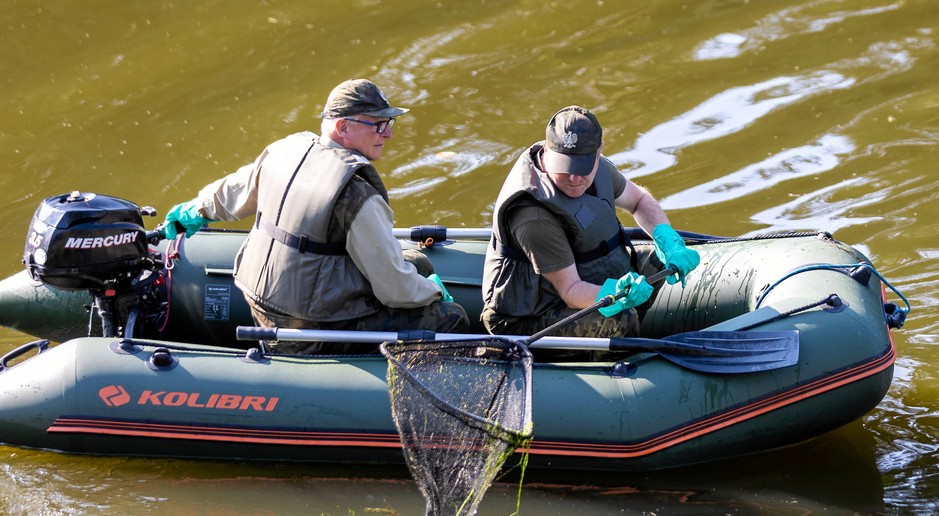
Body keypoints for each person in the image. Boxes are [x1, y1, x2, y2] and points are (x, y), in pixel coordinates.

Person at [162, 78, 469, 354]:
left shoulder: (284, 151)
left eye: (389, 123)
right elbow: (394, 289)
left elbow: (229, 193)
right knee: (452, 317)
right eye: (377, 124)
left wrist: (194, 210)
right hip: (309, 329)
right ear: (343, 127)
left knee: (417, 262)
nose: (387, 133)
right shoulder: (356, 195)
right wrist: (433, 292)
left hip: (259, 305)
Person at [481, 105, 699, 339]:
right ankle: (621, 361)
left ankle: (634, 332)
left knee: (658, 261)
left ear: (598, 152)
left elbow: (639, 200)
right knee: (621, 320)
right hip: (530, 315)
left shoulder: (600, 167)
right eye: (564, 168)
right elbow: (571, 290)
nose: (574, 178)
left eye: (582, 167)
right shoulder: (532, 215)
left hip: (579, 276)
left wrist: (666, 237)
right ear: (547, 151)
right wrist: (615, 294)